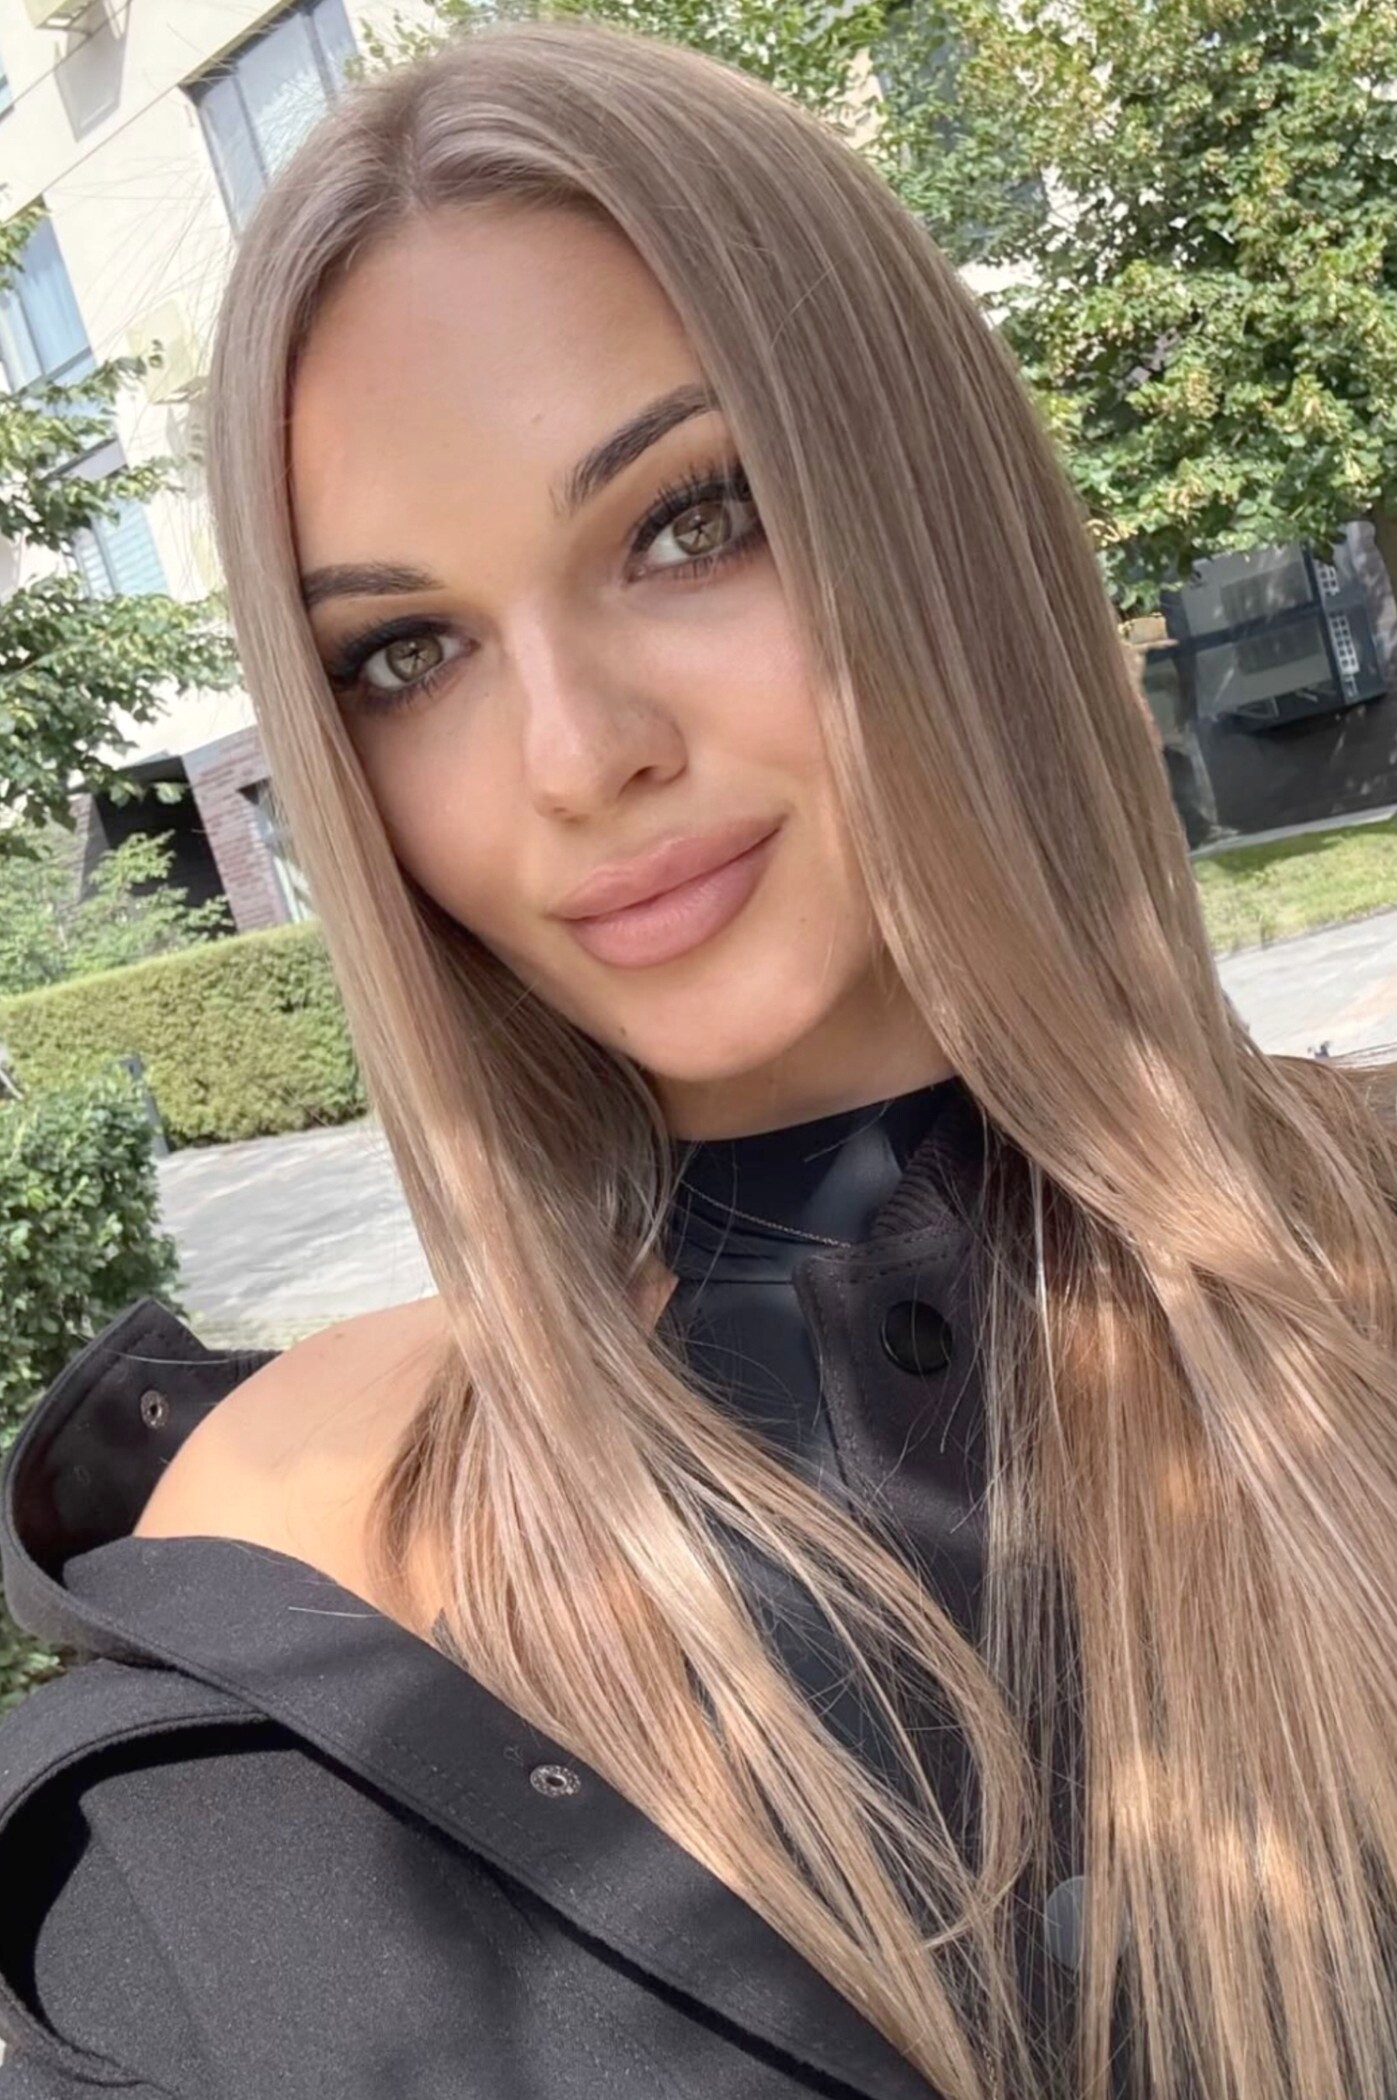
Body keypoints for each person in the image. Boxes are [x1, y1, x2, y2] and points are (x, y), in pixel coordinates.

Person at [1, 18, 1396, 2100]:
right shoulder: (281, 1580)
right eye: (405, 654)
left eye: (688, 522)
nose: (577, 757)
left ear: (932, 509)